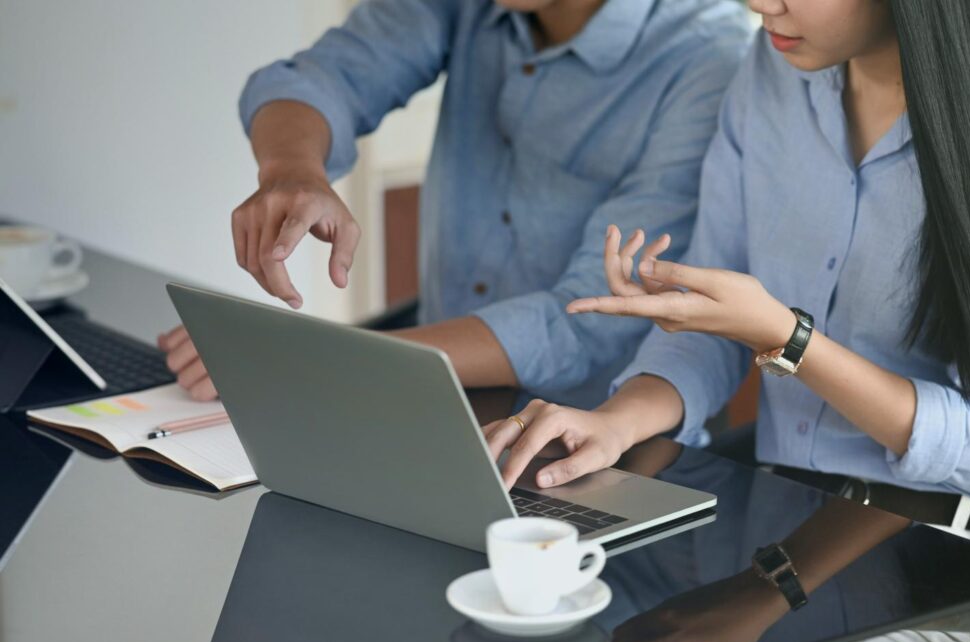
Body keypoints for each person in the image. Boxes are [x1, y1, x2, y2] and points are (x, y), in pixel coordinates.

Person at [486, 0, 970, 535]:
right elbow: (711, 330)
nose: (759, 3)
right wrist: (612, 422)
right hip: (781, 515)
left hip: (943, 554)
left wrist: (786, 338)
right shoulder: (771, 68)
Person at [157, 0, 752, 404]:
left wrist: (318, 361)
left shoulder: (710, 58)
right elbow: (324, 77)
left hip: (615, 449)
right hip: (437, 400)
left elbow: (588, 319)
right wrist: (292, 169)